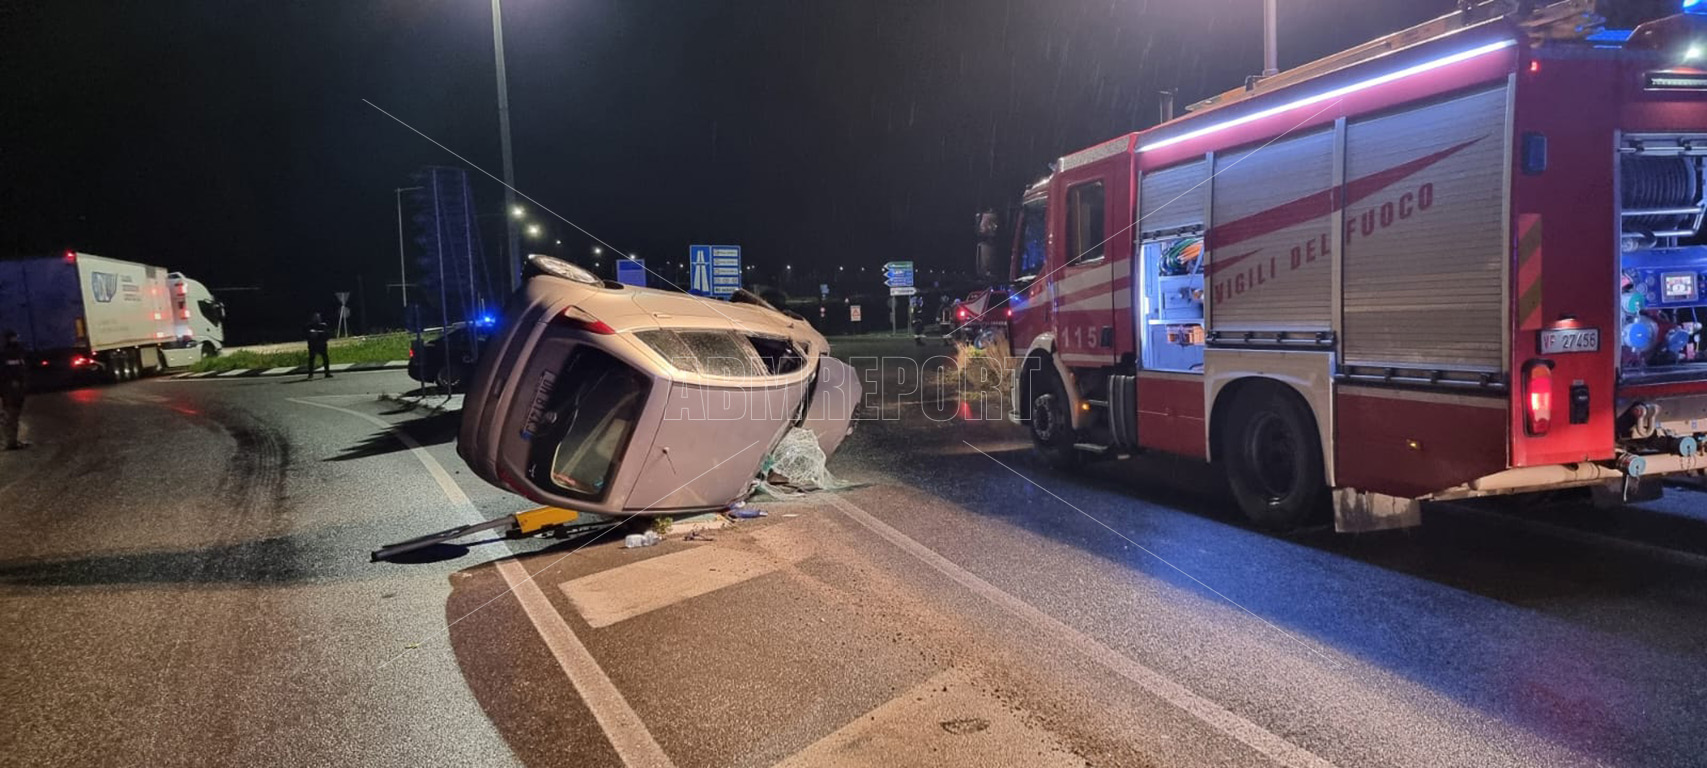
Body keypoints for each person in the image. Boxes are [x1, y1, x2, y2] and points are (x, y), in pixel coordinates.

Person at [1, 329, 28, 450]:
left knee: (14, 414)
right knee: (11, 415)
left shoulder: (18, 351)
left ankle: (13, 441)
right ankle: (10, 442)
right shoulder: (6, 353)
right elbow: (7, 371)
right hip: (10, 389)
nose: (16, 339)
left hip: (16, 388)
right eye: (13, 337)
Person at [304, 312, 332, 380]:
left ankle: (327, 372)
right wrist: (311, 334)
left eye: (318, 317)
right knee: (311, 359)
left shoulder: (323, 325)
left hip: (322, 345)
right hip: (313, 345)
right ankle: (310, 374)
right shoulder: (309, 326)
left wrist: (318, 333)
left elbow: (328, 334)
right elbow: (305, 335)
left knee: (325, 358)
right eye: (315, 318)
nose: (317, 319)